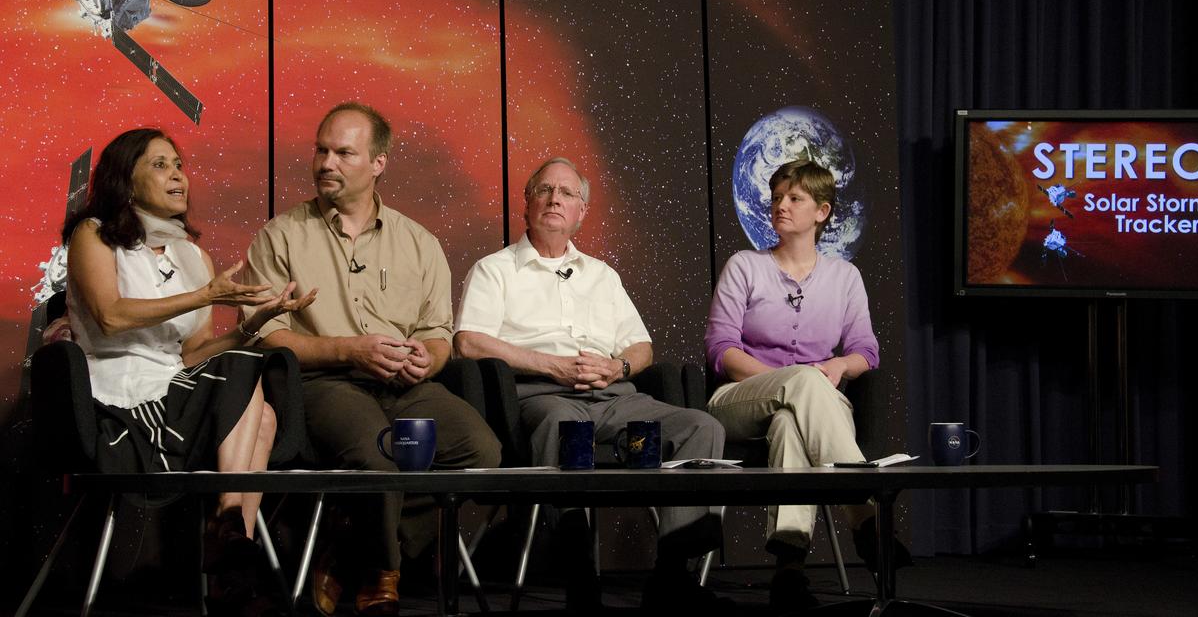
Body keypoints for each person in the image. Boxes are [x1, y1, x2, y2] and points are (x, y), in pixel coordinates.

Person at [242, 103, 501, 617]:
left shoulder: (419, 243)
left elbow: (437, 333)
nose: (325, 163)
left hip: (405, 385)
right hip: (323, 383)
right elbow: (266, 335)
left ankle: (346, 553)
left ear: (378, 163)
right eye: (321, 150)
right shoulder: (282, 236)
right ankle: (382, 574)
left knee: (480, 452)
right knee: (378, 453)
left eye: (343, 152)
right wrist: (348, 349)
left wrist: (426, 360)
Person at [455, 157, 730, 614]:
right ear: (527, 204)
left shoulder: (603, 275)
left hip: (616, 400)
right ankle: (580, 578)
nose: (555, 199)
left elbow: (641, 345)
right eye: (544, 190)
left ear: (581, 212)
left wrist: (618, 368)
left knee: (701, 428)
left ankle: (670, 575)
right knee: (567, 429)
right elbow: (469, 342)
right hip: (542, 398)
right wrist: (551, 366)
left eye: (566, 193)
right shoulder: (495, 270)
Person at [63, 128, 316, 615]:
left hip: (174, 387)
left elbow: (196, 353)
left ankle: (229, 539)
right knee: (254, 410)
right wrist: (206, 296)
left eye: (178, 164)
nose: (177, 174)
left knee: (259, 404)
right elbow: (110, 316)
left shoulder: (191, 256)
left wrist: (253, 326)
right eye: (159, 164)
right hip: (119, 398)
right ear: (124, 179)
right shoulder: (92, 235)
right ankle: (230, 543)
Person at [703, 158, 906, 612]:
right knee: (800, 386)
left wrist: (837, 368)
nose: (781, 206)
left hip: (813, 407)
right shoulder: (744, 266)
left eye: (794, 198)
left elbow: (865, 352)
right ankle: (866, 518)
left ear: (822, 211)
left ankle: (789, 569)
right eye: (776, 198)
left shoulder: (845, 277)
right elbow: (720, 350)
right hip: (737, 400)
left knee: (789, 425)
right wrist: (795, 378)